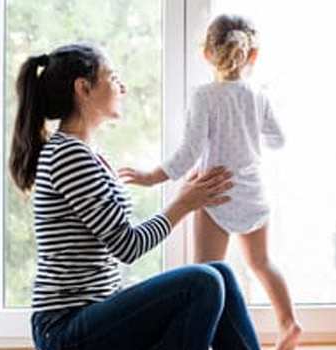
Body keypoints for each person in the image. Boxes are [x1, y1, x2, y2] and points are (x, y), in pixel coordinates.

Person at [9, 42, 260, 350]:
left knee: (219, 272)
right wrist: (184, 203)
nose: (122, 87)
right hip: (64, 329)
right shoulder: (68, 155)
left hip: (92, 313)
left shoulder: (85, 152)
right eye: (113, 78)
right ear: (83, 88)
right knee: (202, 283)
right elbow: (127, 245)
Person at [121, 14, 301, 350]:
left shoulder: (204, 96)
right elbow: (278, 140)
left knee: (207, 275)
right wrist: (249, 138)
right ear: (253, 55)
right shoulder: (258, 95)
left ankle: (206, 341)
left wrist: (150, 177)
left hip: (214, 194)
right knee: (261, 262)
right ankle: (289, 323)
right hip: (253, 192)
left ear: (206, 53)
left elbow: (189, 152)